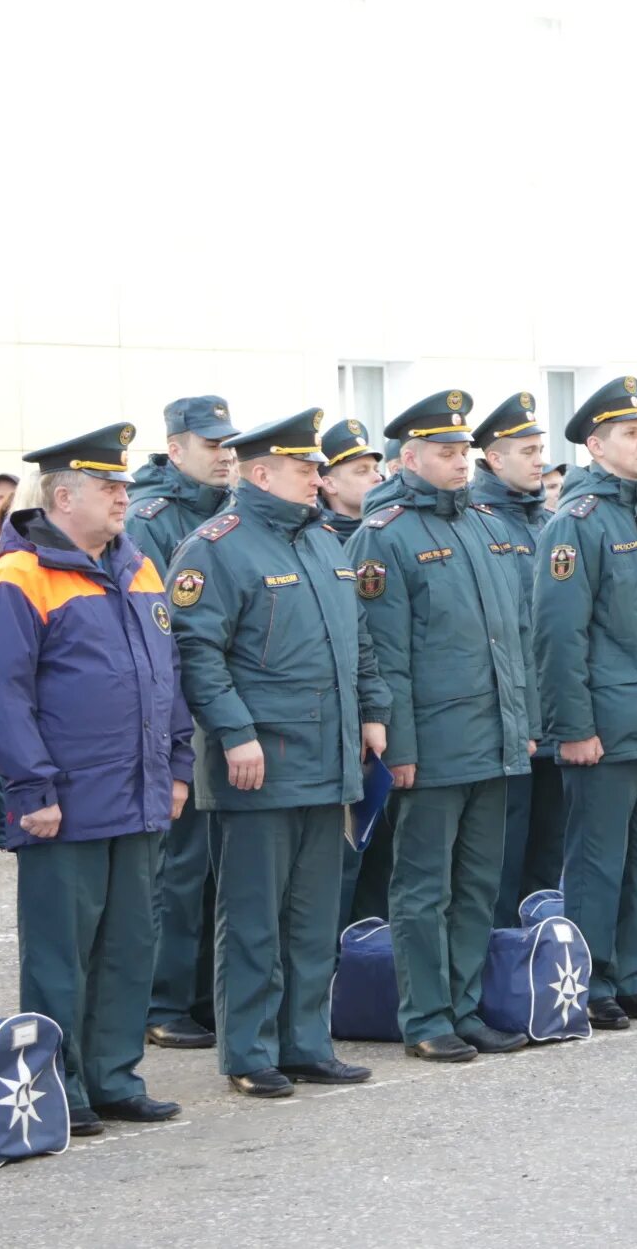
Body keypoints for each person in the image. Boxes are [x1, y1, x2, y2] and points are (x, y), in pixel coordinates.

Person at [167, 408, 388, 1098]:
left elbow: (359, 638)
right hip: (259, 761)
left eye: (318, 468)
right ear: (260, 473)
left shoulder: (324, 543)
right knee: (255, 916)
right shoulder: (217, 546)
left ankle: (306, 1041)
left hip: (328, 761)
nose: (317, 479)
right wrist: (234, 731)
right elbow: (197, 651)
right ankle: (249, 1051)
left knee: (313, 915)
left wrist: (374, 709)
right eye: (304, 468)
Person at [0, 422, 193, 1135]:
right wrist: (33, 789)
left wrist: (176, 765)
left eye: (123, 488)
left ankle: (115, 1077)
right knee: (61, 954)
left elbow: (166, 675)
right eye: (110, 488)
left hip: (139, 793)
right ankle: (61, 1086)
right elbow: (6, 694)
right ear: (64, 494)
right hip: (66, 803)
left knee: (128, 944)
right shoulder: (20, 574)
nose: (123, 498)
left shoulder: (137, 565)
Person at [347, 391, 537, 1061]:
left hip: (493, 740)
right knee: (424, 885)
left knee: (479, 881)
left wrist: (525, 725)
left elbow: (514, 637)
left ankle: (463, 1005)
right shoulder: (384, 534)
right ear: (410, 457)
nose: (459, 462)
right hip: (429, 747)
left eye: (463, 451)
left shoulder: (485, 525)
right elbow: (382, 653)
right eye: (445, 452)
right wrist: (396, 746)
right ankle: (425, 1015)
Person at [533, 377, 637, 1027]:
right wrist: (573, 725)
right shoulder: (576, 524)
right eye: (631, 434)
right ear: (596, 446)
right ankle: (592, 978)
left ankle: (634, 972)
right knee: (599, 860)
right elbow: (558, 634)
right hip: (605, 726)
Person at [122, 396, 240, 1054]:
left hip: (227, 709)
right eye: (209, 443)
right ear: (176, 449)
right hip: (182, 714)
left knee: (222, 863)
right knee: (182, 862)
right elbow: (162, 629)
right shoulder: (152, 519)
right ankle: (163, 999)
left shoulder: (228, 512)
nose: (224, 454)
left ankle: (200, 992)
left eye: (228, 443)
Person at [471, 392, 561, 918]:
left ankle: (540, 965)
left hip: (555, 718)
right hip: (508, 725)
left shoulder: (547, 523)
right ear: (495, 458)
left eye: (540, 450)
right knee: (500, 863)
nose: (539, 461)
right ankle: (502, 969)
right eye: (527, 451)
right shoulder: (483, 524)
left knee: (547, 859)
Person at [317, 419, 384, 542]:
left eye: (376, 470)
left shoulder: (389, 528)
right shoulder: (318, 540)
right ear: (330, 484)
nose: (378, 478)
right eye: (362, 471)